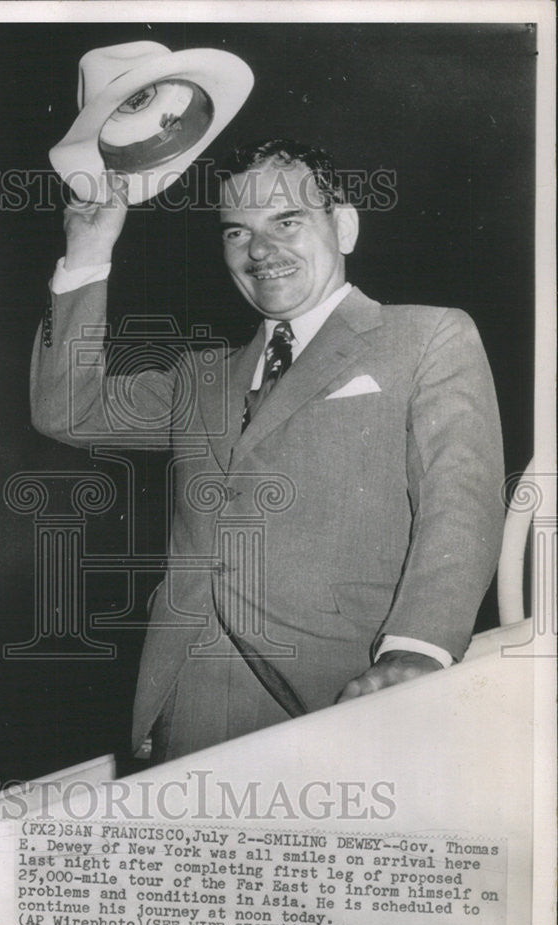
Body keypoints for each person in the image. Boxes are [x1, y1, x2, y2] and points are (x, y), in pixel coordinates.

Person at [30, 139, 505, 763]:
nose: (260, 250)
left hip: (351, 693)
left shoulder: (426, 335)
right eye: (236, 232)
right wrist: (88, 254)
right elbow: (67, 409)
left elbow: (461, 504)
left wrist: (416, 651)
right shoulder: (201, 377)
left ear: (345, 225)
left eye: (287, 221)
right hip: (189, 700)